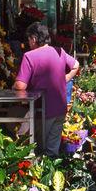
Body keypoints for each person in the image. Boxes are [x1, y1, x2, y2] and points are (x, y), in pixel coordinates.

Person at [13, 22, 80, 156]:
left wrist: (13, 85)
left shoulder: (29, 56)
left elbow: (20, 86)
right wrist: (65, 78)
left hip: (43, 109)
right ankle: (53, 172)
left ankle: (42, 174)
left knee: (39, 148)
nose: (29, 43)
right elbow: (76, 65)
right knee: (52, 149)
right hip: (60, 107)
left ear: (33, 38)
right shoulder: (59, 51)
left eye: (29, 40)